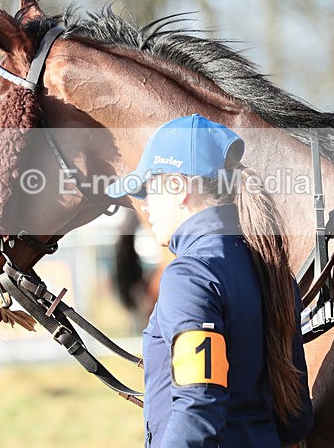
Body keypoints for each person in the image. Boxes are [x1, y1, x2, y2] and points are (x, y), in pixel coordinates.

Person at [106, 114, 314, 447]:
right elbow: (296, 419)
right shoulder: (273, 270)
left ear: (179, 188)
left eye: (149, 188)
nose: (144, 205)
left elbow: (197, 410)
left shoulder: (190, 275)